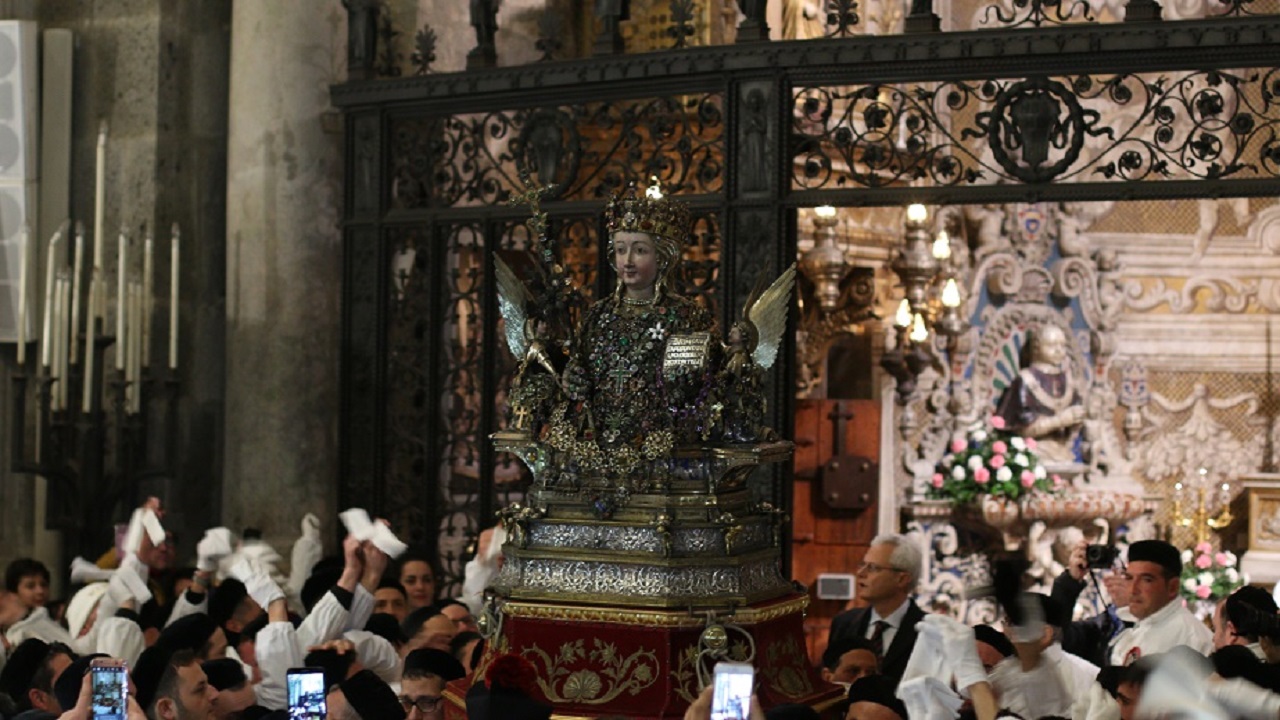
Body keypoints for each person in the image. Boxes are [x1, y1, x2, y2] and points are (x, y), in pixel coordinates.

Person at [558, 180, 715, 455]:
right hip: (598, 447)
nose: (628, 260)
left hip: (660, 449)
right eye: (620, 249)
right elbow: (576, 368)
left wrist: (683, 381)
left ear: (663, 258)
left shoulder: (686, 316)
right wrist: (573, 379)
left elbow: (697, 389)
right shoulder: (598, 314)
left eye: (640, 250)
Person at [826, 534, 925, 690]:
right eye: (862, 565)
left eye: (872, 568)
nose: (861, 573)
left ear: (902, 579)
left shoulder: (930, 631)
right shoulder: (843, 623)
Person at [1107, 540, 1213, 666]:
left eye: (1146, 580)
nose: (1133, 590)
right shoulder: (1138, 628)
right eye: (1129, 578)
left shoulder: (1193, 639)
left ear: (1172, 587)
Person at [994, 324, 1086, 464]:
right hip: (1034, 451)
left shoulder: (1068, 381)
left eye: (1062, 345)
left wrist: (1077, 418)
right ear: (1036, 348)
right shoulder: (1025, 380)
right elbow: (1021, 427)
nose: (1058, 350)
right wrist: (1060, 420)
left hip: (1063, 452)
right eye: (1051, 345)